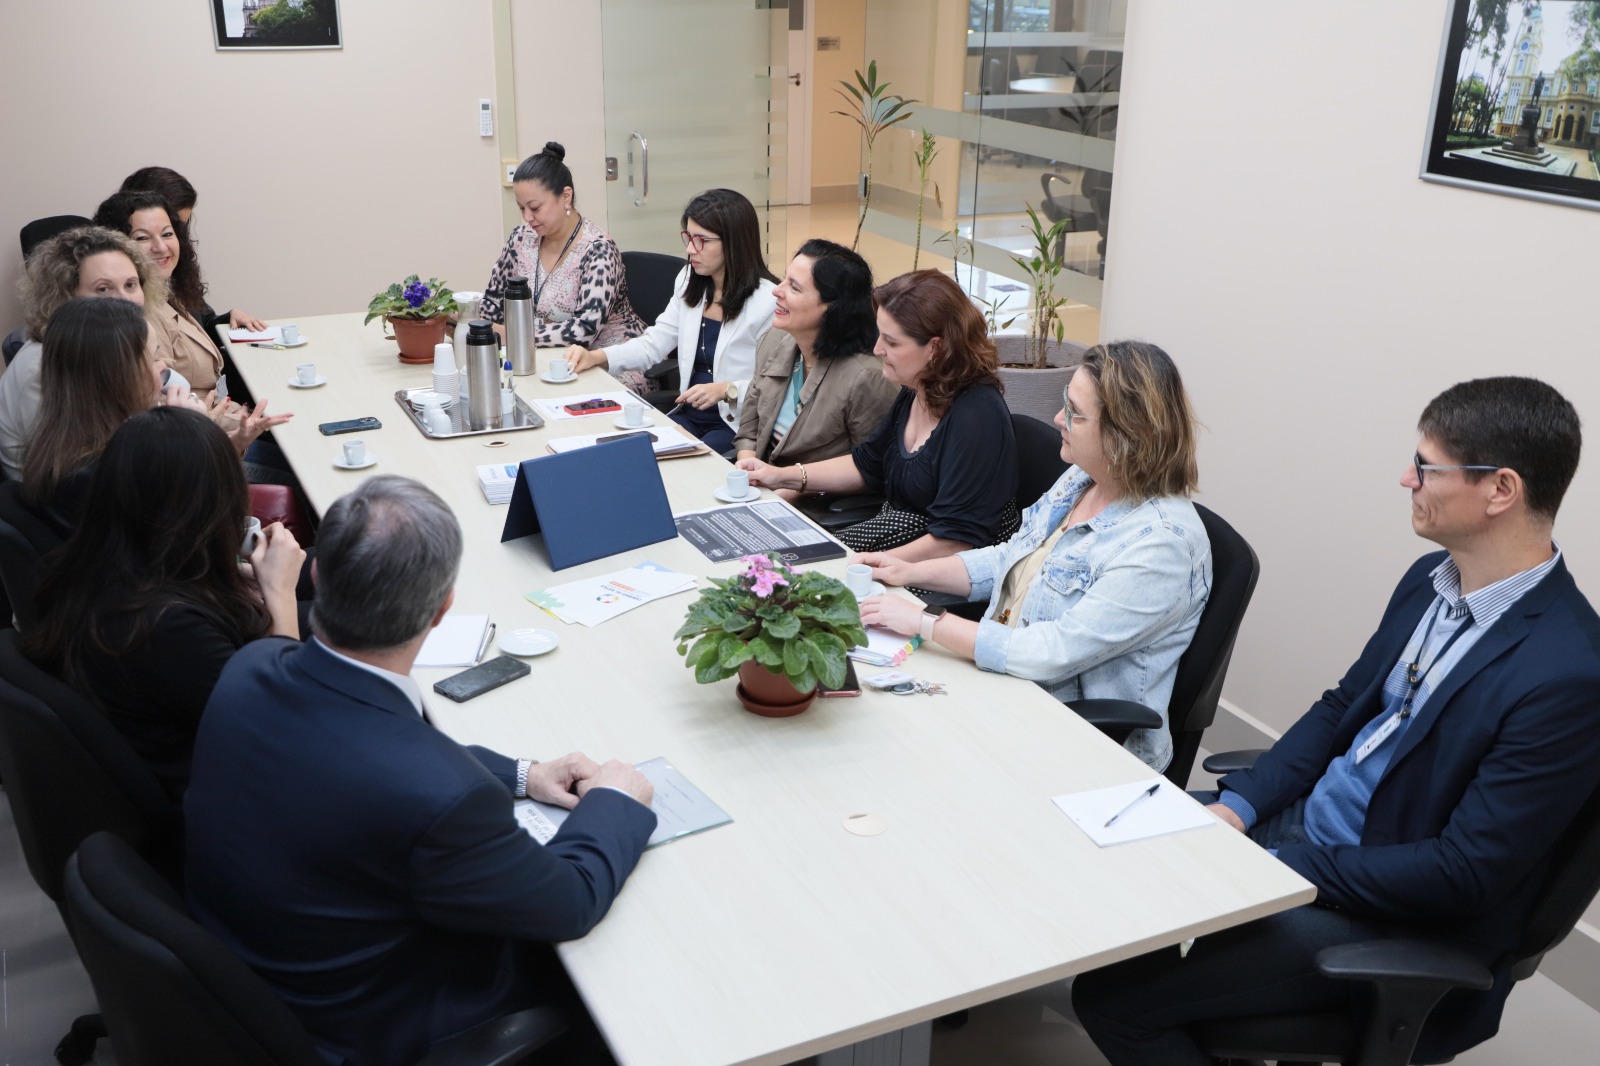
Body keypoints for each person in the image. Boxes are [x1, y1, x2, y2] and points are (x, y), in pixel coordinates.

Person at [1072, 377, 1600, 1065]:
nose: (1405, 478)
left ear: (1500, 490)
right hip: (1309, 833)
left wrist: (1281, 864)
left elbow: (1463, 873)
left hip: (1396, 910)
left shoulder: (1566, 672)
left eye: (1427, 467)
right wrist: (1241, 806)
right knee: (1099, 861)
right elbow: (1338, 711)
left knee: (1113, 999)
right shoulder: (1430, 580)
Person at [184, 476, 657, 1066]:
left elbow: (385, 755)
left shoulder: (252, 667)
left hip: (263, 979)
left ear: (317, 576)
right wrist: (615, 801)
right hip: (383, 1028)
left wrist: (522, 774)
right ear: (441, 610)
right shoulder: (438, 796)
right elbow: (569, 902)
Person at [855, 341, 1210, 771]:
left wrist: (926, 622)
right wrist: (910, 570)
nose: (1059, 419)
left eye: (1075, 413)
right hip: (1001, 685)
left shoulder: (1162, 545)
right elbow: (1013, 557)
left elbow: (1051, 652)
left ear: (1126, 433)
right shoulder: (1084, 479)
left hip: (1068, 740)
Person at [24, 406, 303, 805]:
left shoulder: (84, 567)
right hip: (233, 798)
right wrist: (280, 593)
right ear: (206, 506)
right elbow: (286, 730)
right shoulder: (172, 630)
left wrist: (226, 582)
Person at [739, 269, 1019, 558]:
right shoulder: (917, 389)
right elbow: (868, 464)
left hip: (937, 563)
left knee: (793, 567)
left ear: (936, 348)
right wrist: (781, 476)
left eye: (892, 342)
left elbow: (956, 540)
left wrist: (859, 565)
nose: (877, 349)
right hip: (901, 542)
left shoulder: (976, 416)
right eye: (879, 335)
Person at [20, 298, 284, 529]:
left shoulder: (64, 441)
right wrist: (188, 437)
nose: (164, 369)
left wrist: (233, 442)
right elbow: (199, 534)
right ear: (117, 377)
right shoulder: (125, 464)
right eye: (155, 358)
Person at [565, 188, 779, 454]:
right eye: (688, 237)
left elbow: (774, 385)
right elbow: (653, 345)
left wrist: (727, 390)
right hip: (688, 414)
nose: (690, 249)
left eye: (702, 240)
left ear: (733, 242)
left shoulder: (768, 301)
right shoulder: (689, 280)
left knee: (688, 464)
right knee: (634, 451)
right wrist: (596, 357)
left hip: (735, 425)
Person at [0, 226, 167, 480]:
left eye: (131, 285)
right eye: (103, 289)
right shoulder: (44, 364)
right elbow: (85, 472)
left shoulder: (107, 346)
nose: (125, 300)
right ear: (66, 297)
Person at [732, 239, 899, 476]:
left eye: (794, 288)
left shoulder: (867, 377)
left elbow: (872, 469)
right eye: (784, 279)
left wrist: (790, 485)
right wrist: (747, 466)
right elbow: (749, 428)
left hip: (817, 503)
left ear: (832, 309)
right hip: (762, 486)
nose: (777, 291)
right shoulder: (774, 340)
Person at [478, 141, 645, 349]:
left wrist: (513, 334)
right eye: (521, 208)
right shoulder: (521, 240)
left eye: (535, 207)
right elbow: (493, 305)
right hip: (549, 356)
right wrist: (463, 317)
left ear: (566, 196)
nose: (528, 217)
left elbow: (584, 331)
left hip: (610, 358)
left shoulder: (599, 250)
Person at [92, 190, 227, 392]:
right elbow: (163, 402)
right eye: (142, 238)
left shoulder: (166, 290)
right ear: (116, 245)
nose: (161, 247)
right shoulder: (140, 309)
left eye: (167, 234)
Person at [118, 165, 268, 333]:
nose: (162, 246)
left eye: (171, 231)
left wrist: (228, 319)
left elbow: (200, 325)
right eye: (143, 237)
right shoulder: (124, 293)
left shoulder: (175, 266)